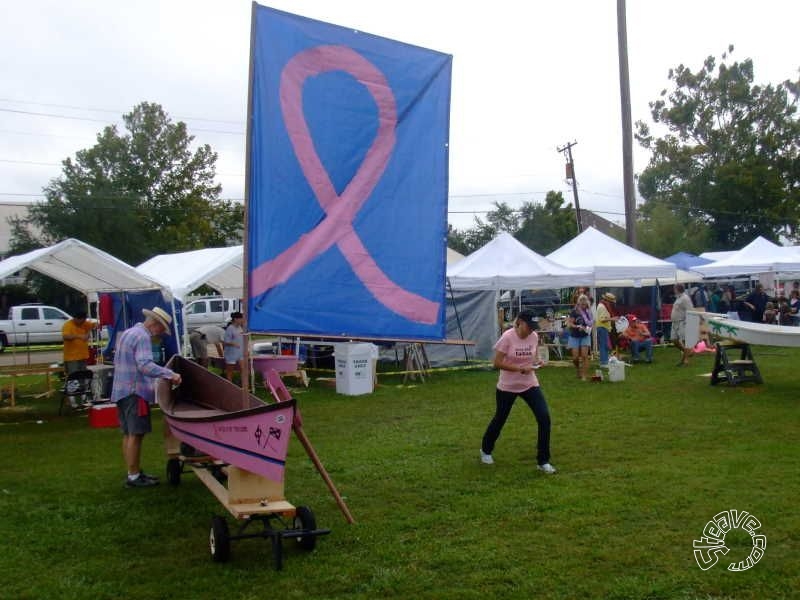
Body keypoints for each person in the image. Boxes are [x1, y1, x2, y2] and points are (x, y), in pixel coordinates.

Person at [110, 306, 182, 488]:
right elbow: (145, 365)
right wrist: (169, 374)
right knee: (136, 434)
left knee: (128, 434)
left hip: (122, 390)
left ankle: (132, 472)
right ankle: (134, 477)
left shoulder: (129, 332)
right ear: (155, 324)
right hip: (135, 391)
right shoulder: (143, 337)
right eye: (161, 329)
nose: (160, 334)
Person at [480, 310, 555, 474]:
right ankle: (485, 450)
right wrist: (519, 369)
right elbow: (496, 363)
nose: (531, 330)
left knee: (544, 418)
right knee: (500, 418)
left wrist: (537, 363)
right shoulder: (507, 337)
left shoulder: (534, 336)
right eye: (529, 326)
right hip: (507, 386)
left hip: (529, 384)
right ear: (520, 322)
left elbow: (531, 358)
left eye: (534, 327)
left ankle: (543, 461)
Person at [62, 310, 98, 374]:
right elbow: (65, 336)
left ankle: (83, 384)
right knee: (74, 376)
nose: (83, 322)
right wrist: (79, 336)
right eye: (82, 320)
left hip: (83, 356)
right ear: (76, 318)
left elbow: (94, 325)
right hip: (72, 358)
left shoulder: (85, 323)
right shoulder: (68, 325)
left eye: (84, 320)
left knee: (83, 376)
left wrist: (88, 333)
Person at [566, 294, 593, 381]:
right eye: (582, 304)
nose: (583, 306)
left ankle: (584, 375)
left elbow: (592, 323)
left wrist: (588, 328)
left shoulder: (589, 312)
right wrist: (578, 327)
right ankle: (578, 370)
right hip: (574, 336)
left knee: (585, 356)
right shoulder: (574, 312)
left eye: (585, 304)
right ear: (579, 303)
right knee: (575, 358)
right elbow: (570, 324)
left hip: (585, 336)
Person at [671, 283, 694, 366]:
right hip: (675, 322)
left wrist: (689, 322)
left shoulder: (685, 298)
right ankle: (687, 352)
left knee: (685, 341)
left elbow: (690, 310)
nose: (673, 290)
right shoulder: (678, 298)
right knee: (674, 340)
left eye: (674, 288)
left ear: (677, 289)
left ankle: (685, 360)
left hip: (682, 322)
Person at [595, 292, 619, 367]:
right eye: (611, 302)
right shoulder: (602, 307)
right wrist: (613, 319)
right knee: (603, 345)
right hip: (602, 327)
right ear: (608, 301)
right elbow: (602, 319)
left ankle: (604, 361)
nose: (612, 304)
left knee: (604, 345)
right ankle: (603, 362)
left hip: (603, 327)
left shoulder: (603, 305)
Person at [223, 311, 245, 383]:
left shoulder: (240, 327)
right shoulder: (230, 328)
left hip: (240, 353)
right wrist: (234, 344)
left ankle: (244, 384)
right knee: (230, 371)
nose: (242, 320)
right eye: (241, 319)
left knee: (243, 368)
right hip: (231, 353)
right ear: (235, 319)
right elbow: (226, 341)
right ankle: (229, 384)